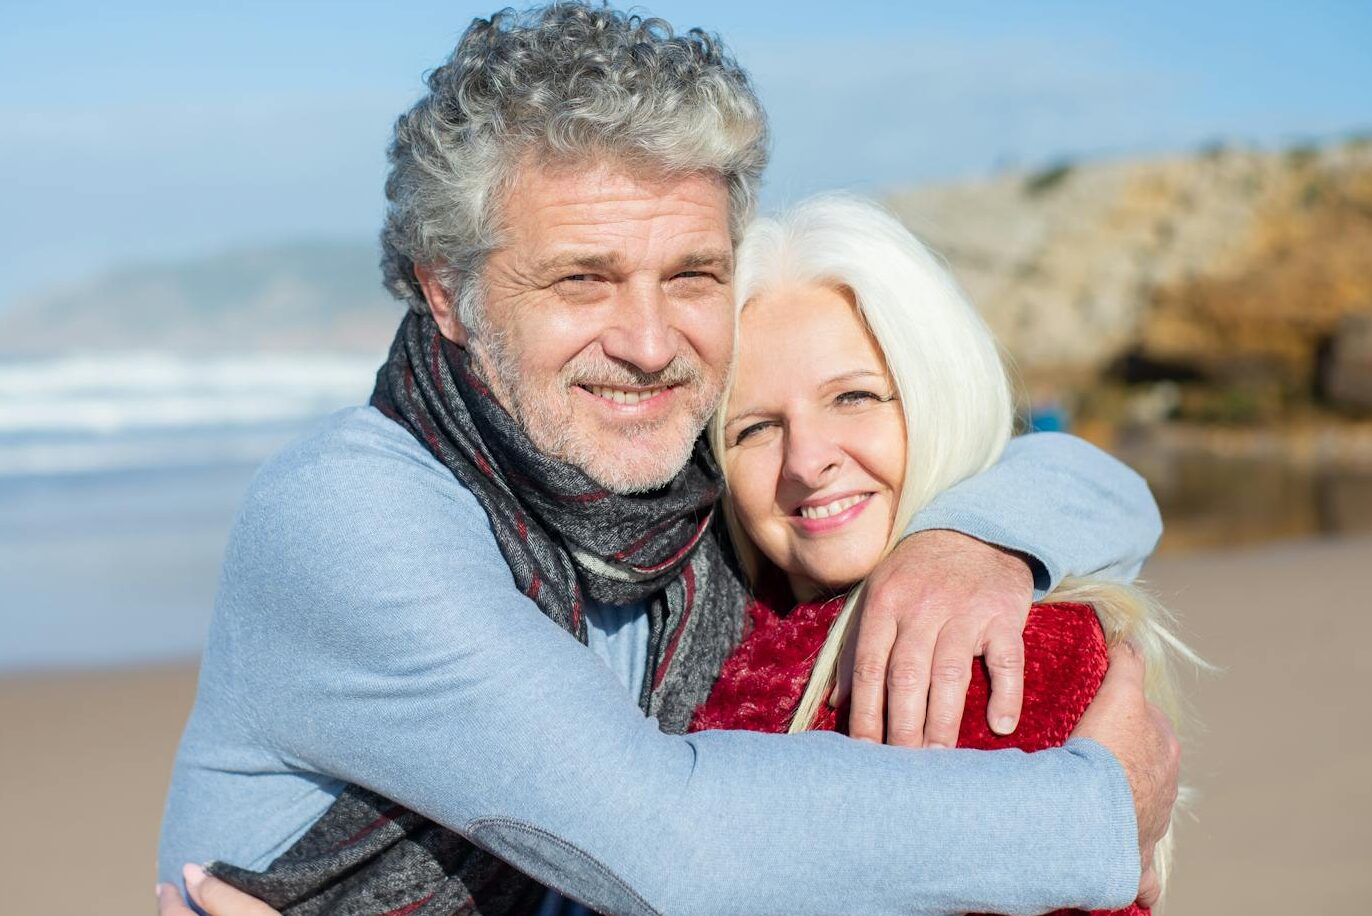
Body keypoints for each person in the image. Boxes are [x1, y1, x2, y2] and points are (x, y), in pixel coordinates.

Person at [157, 5, 1176, 915]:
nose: (648, 342)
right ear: (446, 295)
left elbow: (1077, 475)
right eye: (582, 279)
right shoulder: (351, 514)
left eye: (690, 274)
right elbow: (668, 846)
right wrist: (1089, 815)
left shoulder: (669, 472)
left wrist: (971, 539)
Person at [688, 194, 1201, 914]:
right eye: (755, 429)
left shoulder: (994, 652)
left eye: (854, 398)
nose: (805, 462)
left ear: (936, 391)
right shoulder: (707, 614)